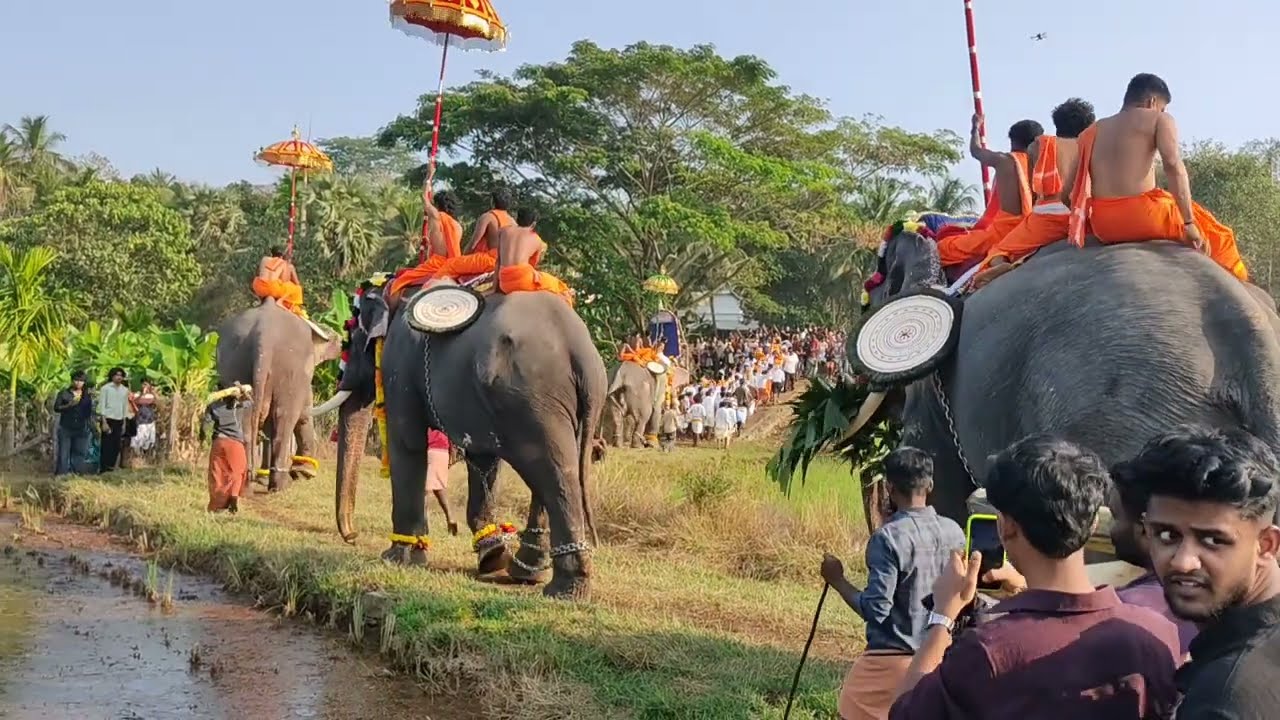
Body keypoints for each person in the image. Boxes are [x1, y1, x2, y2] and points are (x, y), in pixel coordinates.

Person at [889, 435, 1180, 720]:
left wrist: (942, 617)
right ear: (1093, 525)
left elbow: (905, 713)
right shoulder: (1156, 635)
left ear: (1006, 527)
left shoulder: (987, 650)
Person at [1114, 426, 1280, 718]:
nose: (1182, 562)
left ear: (1266, 545)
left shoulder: (1226, 698)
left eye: (1214, 541)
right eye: (1166, 535)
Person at [821, 447, 966, 720]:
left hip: (889, 663)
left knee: (851, 708)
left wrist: (837, 580)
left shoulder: (888, 538)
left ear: (889, 487)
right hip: (940, 660)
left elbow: (876, 611)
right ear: (930, 485)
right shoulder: (955, 532)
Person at [1061, 73, 1247, 281]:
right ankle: (1243, 285)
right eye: (1162, 107)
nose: (1163, 111)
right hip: (1146, 217)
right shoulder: (1159, 119)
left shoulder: (1090, 132)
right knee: (1221, 236)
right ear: (1152, 101)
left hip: (1104, 225)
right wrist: (1188, 223)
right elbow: (1173, 165)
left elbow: (1067, 193)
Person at [972, 98, 1097, 288]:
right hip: (1086, 217)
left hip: (1048, 218)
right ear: (1089, 126)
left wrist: (975, 127)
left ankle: (1003, 265)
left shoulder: (1039, 145)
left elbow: (1033, 187)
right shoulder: (1095, 145)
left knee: (999, 250)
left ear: (1056, 125)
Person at [1107, 455, 1200, 658]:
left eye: (1115, 517)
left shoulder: (1124, 609)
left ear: (1145, 530)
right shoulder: (1204, 598)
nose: (1110, 530)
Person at [935, 116, 1041, 270]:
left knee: (942, 248)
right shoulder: (1043, 165)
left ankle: (995, 262)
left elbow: (976, 150)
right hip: (1031, 231)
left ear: (1012, 141)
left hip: (1002, 233)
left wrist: (975, 127)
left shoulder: (1004, 160)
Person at [387, 190, 465, 300]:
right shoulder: (458, 227)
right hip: (453, 266)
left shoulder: (437, 217)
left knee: (397, 283)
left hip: (436, 264)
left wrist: (429, 176)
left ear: (437, 205)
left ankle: (389, 315)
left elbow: (425, 200)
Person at [495, 208, 574, 305]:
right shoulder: (537, 240)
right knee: (559, 286)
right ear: (533, 223)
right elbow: (533, 265)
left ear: (517, 219)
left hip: (504, 282)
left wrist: (494, 288)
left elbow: (498, 261)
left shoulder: (503, 231)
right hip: (523, 281)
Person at [202, 384, 253, 513]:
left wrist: (202, 437)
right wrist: (243, 391)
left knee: (217, 473)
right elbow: (252, 402)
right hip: (235, 443)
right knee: (238, 471)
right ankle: (233, 497)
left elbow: (205, 426)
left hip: (218, 441)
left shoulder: (214, 406)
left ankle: (217, 505)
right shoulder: (239, 406)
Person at [52, 370, 94, 476]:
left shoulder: (86, 396)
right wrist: (69, 405)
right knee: (63, 453)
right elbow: (56, 408)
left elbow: (88, 412)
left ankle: (76, 476)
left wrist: (91, 426)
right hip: (66, 427)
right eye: (76, 380)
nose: (78, 383)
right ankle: (61, 475)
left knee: (79, 453)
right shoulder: (64, 393)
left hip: (81, 428)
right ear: (72, 381)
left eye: (81, 381)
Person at [252, 246, 306, 316]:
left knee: (257, 278)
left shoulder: (264, 259)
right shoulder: (283, 263)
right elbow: (285, 280)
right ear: (282, 255)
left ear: (272, 253)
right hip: (273, 288)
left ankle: (260, 300)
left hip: (259, 287)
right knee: (297, 288)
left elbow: (260, 272)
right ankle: (281, 301)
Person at [97, 367, 131, 473]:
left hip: (119, 419)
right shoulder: (105, 388)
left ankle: (111, 468)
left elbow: (125, 406)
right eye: (117, 375)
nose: (119, 377)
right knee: (106, 444)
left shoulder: (124, 390)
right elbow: (102, 405)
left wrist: (124, 423)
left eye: (121, 375)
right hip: (108, 419)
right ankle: (103, 469)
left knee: (116, 445)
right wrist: (104, 422)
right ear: (112, 376)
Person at [426, 429, 459, 536]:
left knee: (424, 490)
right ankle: (451, 518)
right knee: (438, 488)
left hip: (434, 448)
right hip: (437, 450)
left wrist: (452, 453)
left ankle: (422, 526)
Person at [466, 187, 516, 253]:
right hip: (507, 261)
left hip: (490, 259)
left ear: (492, 201)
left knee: (453, 262)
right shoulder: (513, 223)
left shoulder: (488, 217)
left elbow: (474, 242)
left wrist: (463, 257)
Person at [130, 381, 159, 454]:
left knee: (149, 440)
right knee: (139, 439)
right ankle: (138, 457)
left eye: (146, 385)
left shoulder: (151, 395)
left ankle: (146, 456)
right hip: (140, 421)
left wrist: (153, 392)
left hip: (150, 420)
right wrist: (142, 393)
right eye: (143, 384)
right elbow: (135, 401)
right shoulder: (137, 394)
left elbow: (158, 402)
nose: (144, 386)